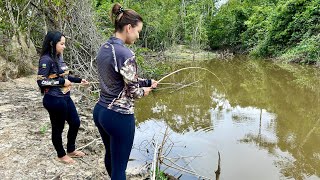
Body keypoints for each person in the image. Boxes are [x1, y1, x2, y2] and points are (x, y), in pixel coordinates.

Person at [93, 3, 157, 179]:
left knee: (111, 156)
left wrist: (148, 81)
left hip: (100, 111)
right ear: (129, 28)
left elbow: (120, 80)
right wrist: (145, 91)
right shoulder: (126, 54)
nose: (138, 36)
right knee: (120, 169)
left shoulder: (105, 48)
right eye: (138, 31)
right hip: (119, 116)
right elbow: (134, 92)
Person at [37, 31, 89, 164]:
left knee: (75, 122)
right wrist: (61, 82)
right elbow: (41, 82)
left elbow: (64, 77)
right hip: (53, 100)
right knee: (58, 128)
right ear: (52, 44)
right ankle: (61, 154)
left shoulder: (59, 57)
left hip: (65, 97)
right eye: (62, 44)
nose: (64, 46)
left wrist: (79, 80)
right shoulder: (46, 60)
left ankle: (71, 150)